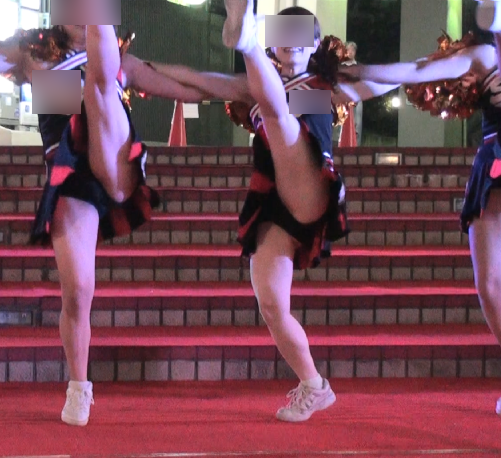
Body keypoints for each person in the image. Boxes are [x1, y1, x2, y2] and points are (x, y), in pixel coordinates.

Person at [0, 4, 213, 426]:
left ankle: (102, 81)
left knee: (100, 85)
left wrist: (255, 89)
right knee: (78, 289)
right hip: (71, 176)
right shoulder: (34, 56)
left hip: (115, 161)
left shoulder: (123, 63)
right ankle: (79, 385)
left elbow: (193, 85)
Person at [145, 0, 397, 422]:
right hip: (273, 201)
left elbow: (390, 77)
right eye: (283, 34)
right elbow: (198, 80)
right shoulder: (253, 89)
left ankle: (244, 40)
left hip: (311, 186)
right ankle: (314, 385)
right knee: (272, 305)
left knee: (279, 111)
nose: (290, 42)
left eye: (300, 35)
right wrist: (137, 66)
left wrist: (444, 68)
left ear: (315, 44)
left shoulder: (327, 86)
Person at [341, 0, 501, 415]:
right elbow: (416, 71)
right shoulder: (483, 56)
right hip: (499, 164)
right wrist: (361, 70)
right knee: (490, 286)